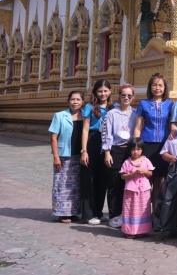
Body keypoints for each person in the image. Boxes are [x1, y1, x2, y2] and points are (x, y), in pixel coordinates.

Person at [134, 73, 173, 210]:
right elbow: (138, 126)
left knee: (159, 180)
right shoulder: (144, 104)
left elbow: (171, 125)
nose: (157, 88)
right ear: (150, 87)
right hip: (147, 144)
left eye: (160, 85)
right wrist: (136, 146)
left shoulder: (169, 104)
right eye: (154, 85)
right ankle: (142, 212)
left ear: (165, 87)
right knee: (146, 179)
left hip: (163, 145)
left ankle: (155, 213)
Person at [102, 84, 137, 228]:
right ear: (119, 97)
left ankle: (127, 214)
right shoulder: (112, 114)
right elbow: (107, 134)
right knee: (114, 183)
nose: (126, 98)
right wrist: (107, 152)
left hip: (130, 151)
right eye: (123, 95)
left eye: (129, 96)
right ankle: (114, 215)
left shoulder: (135, 113)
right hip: (115, 150)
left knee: (128, 183)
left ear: (133, 98)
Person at [80, 79, 114, 225]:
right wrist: (84, 150)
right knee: (89, 178)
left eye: (105, 91)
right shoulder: (90, 107)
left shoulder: (114, 107)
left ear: (110, 91)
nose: (103, 94)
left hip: (107, 142)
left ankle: (98, 212)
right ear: (95, 92)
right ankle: (88, 214)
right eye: (100, 91)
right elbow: (85, 129)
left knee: (102, 178)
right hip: (93, 141)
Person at [49, 90, 84, 224]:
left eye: (78, 99)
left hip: (79, 156)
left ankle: (74, 212)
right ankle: (62, 213)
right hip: (64, 156)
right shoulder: (59, 116)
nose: (75, 102)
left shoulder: (85, 116)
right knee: (62, 185)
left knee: (76, 186)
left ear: (82, 102)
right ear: (68, 101)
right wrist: (56, 157)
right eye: (72, 99)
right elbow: (53, 138)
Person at [120, 138, 154, 238]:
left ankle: (142, 230)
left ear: (142, 150)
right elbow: (122, 176)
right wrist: (132, 174)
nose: (136, 152)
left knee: (143, 210)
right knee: (131, 210)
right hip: (130, 191)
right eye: (133, 149)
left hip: (144, 190)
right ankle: (130, 231)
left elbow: (150, 173)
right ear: (129, 150)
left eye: (138, 149)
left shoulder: (146, 161)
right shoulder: (127, 162)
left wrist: (144, 171)